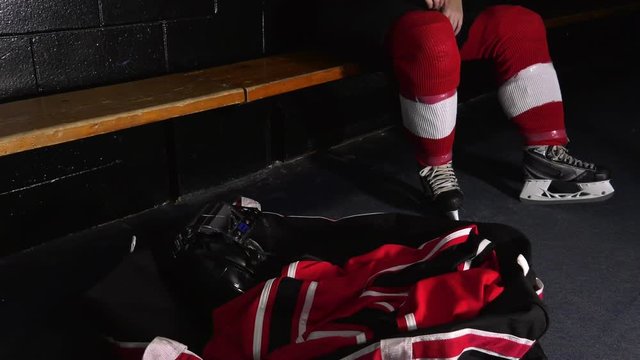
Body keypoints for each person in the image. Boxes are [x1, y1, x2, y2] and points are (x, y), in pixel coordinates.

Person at [316, 0, 614, 220]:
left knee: (521, 24)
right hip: (370, 14)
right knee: (433, 39)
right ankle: (437, 167)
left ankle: (545, 155)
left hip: (430, 12)